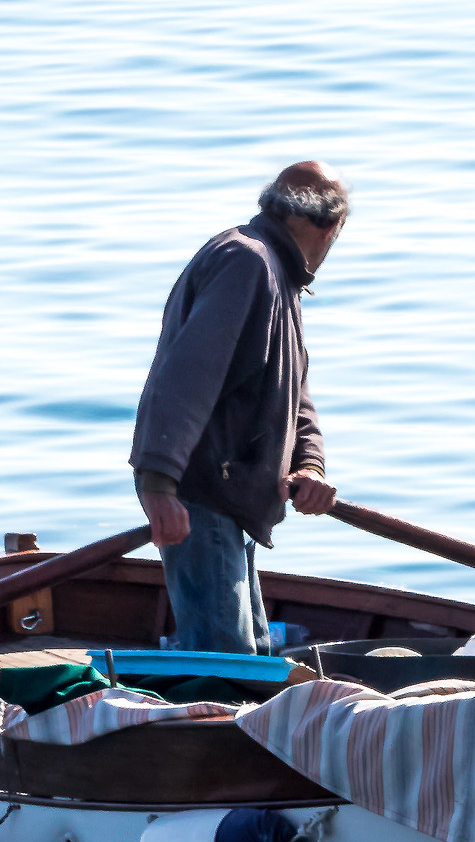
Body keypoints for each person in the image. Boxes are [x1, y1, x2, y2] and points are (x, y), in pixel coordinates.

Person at [129, 161, 346, 653]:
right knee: (227, 664)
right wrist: (159, 484)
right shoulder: (246, 263)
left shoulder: (277, 274)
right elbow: (184, 378)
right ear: (329, 225)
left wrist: (309, 465)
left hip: (235, 502)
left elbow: (297, 395)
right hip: (202, 497)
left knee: (251, 653)